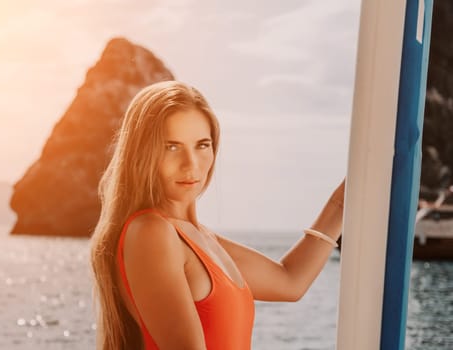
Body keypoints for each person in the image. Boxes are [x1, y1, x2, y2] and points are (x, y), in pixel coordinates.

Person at [90, 80, 345, 350]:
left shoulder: (200, 239)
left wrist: (348, 195)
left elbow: (290, 281)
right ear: (143, 153)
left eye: (202, 145)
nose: (191, 164)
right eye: (171, 147)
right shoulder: (151, 231)